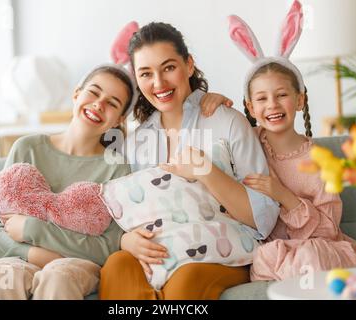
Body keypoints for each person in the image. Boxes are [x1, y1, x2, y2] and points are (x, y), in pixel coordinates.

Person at [98, 21, 280, 300]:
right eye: (146, 73)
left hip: (222, 251)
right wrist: (126, 239)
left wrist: (205, 171)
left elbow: (264, 218)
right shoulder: (137, 142)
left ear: (189, 65)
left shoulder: (227, 122)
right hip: (162, 251)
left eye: (169, 67)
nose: (158, 83)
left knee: (185, 282)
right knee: (117, 266)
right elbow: (129, 211)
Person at [0, 64, 135, 299]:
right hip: (17, 259)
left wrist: (34, 229)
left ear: (119, 120)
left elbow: (109, 245)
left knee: (58, 278)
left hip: (75, 266)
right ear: (76, 94)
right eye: (94, 92)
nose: (99, 104)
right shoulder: (27, 148)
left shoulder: (116, 167)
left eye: (112, 103)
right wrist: (36, 254)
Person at [227, 0, 356, 281]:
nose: (272, 105)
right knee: (265, 257)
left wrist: (283, 196)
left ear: (299, 100)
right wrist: (213, 99)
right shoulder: (245, 142)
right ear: (251, 108)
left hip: (318, 248)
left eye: (282, 95)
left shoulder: (321, 161)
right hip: (274, 252)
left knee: (309, 258)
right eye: (262, 98)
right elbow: (214, 130)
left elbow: (327, 231)